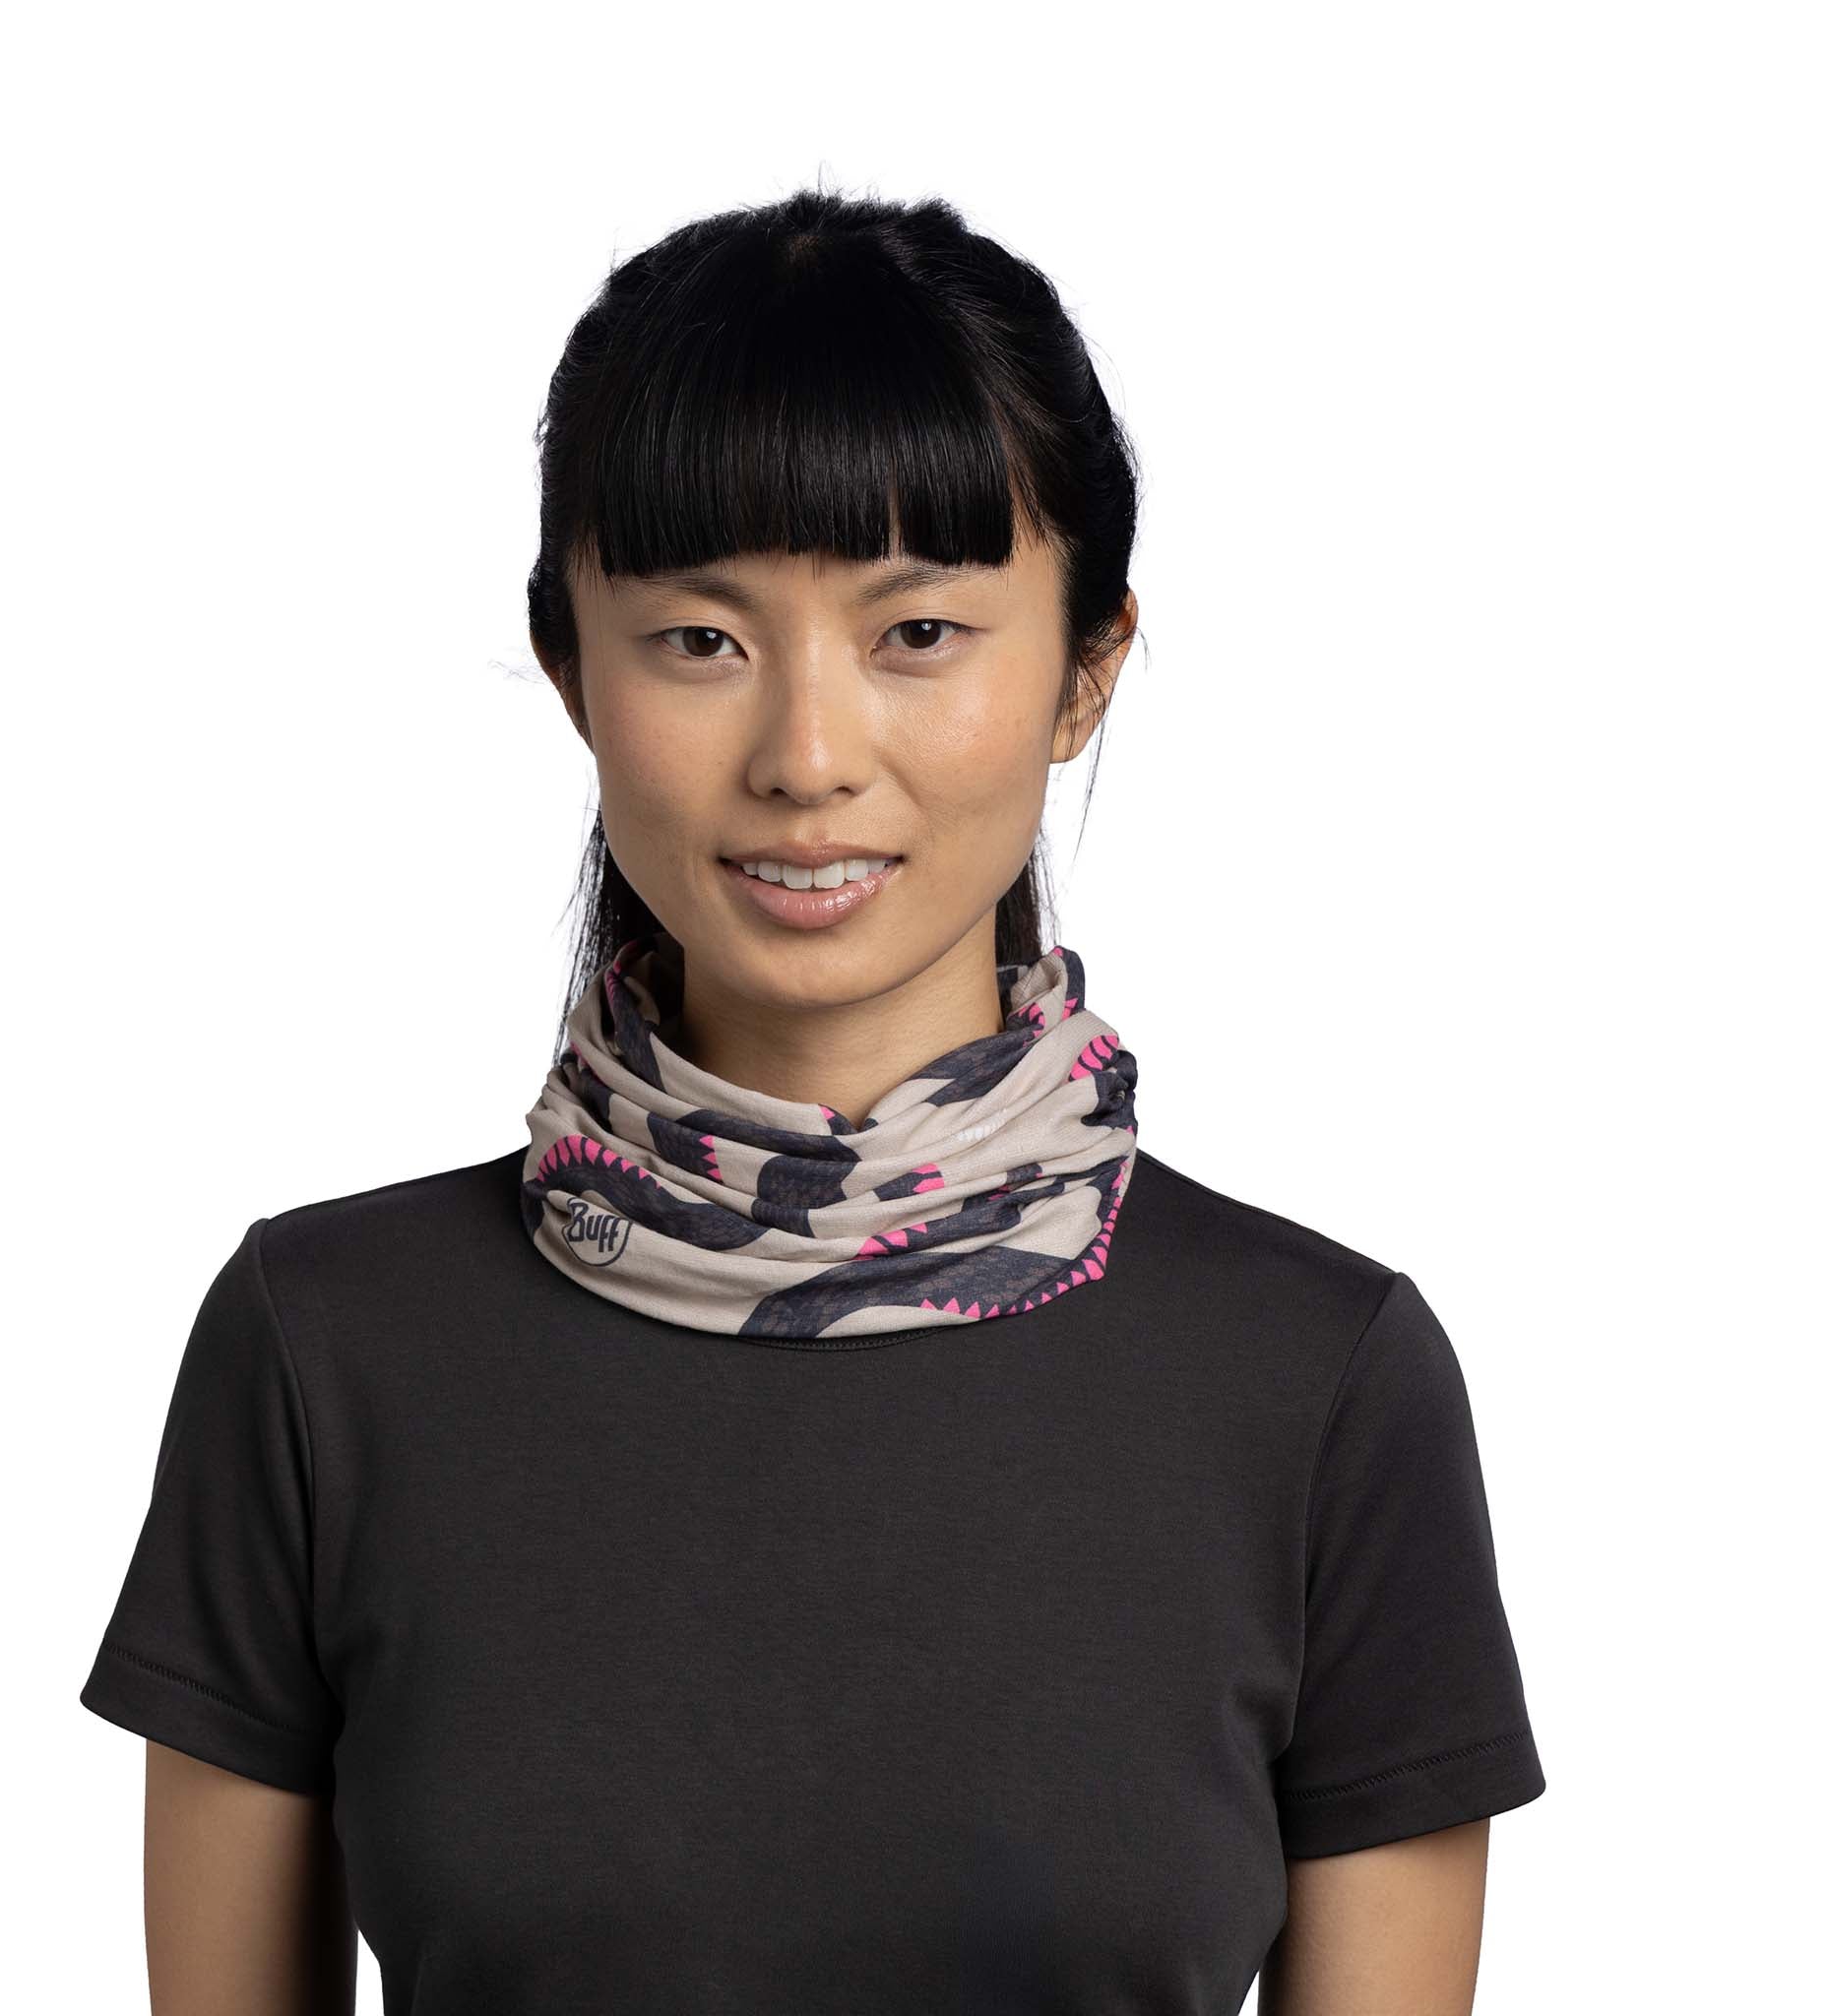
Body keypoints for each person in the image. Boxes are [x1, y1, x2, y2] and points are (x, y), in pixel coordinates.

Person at [81, 185, 1545, 2015]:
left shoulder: (1323, 1386)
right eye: (701, 639)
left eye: (917, 632)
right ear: (572, 669)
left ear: (1087, 668)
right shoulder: (322, 1351)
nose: (806, 756)